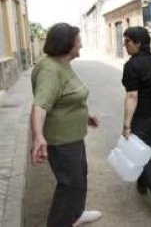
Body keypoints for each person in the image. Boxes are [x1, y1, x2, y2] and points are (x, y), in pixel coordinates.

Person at [30, 23, 102, 227]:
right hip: (61, 141)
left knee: (80, 176)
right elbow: (40, 105)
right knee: (69, 184)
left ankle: (76, 214)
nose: (81, 45)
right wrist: (38, 136)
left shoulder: (62, 64)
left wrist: (86, 116)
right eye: (78, 41)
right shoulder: (50, 70)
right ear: (66, 44)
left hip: (74, 136)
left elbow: (68, 96)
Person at [121, 26, 151, 215]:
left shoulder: (132, 66)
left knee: (139, 154)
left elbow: (132, 96)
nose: (125, 45)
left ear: (138, 43)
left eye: (127, 41)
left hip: (142, 118)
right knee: (144, 147)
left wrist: (126, 125)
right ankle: (142, 184)